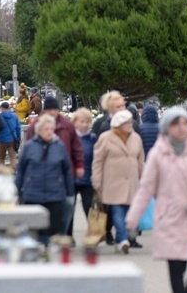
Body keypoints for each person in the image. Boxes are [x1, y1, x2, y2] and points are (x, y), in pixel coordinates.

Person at [126, 107, 187, 293]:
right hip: (169, 220)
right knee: (176, 268)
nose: (181, 128)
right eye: (175, 124)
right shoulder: (158, 154)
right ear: (166, 127)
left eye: (184, 123)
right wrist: (133, 219)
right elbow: (146, 189)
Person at [26, 97, 84, 237]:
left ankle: (64, 234)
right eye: (49, 110)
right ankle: (47, 235)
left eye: (55, 109)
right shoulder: (36, 126)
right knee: (49, 206)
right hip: (41, 174)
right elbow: (28, 147)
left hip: (64, 172)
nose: (52, 112)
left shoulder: (67, 125)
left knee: (69, 204)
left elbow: (76, 146)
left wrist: (79, 165)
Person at [15, 115, 74, 245]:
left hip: (55, 194)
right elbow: (21, 170)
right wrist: (17, 190)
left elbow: (67, 170)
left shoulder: (59, 146)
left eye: (51, 129)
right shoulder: (29, 147)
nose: (49, 131)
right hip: (32, 194)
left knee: (53, 230)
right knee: (35, 230)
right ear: (39, 130)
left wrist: (70, 192)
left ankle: (50, 255)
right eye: (46, 129)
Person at [92, 110, 145, 253]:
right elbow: (98, 161)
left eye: (130, 122)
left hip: (132, 181)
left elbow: (141, 161)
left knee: (129, 212)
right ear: (118, 124)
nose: (130, 124)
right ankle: (122, 240)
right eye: (126, 123)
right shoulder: (105, 138)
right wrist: (97, 181)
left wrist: (143, 179)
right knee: (117, 211)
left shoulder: (136, 138)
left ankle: (124, 237)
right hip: (113, 182)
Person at [69, 108, 97, 236]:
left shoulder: (92, 138)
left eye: (87, 122)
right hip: (71, 178)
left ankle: (92, 235)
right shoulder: (69, 138)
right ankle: (68, 236)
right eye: (82, 121)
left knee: (89, 207)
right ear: (74, 122)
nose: (85, 124)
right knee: (69, 208)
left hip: (88, 178)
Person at [0, 101, 22, 170]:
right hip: (12, 138)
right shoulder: (14, 116)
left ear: (1, 108)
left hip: (1, 139)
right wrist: (19, 137)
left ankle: (1, 170)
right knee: (12, 156)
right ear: (9, 108)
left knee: (1, 156)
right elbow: (18, 127)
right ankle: (14, 169)